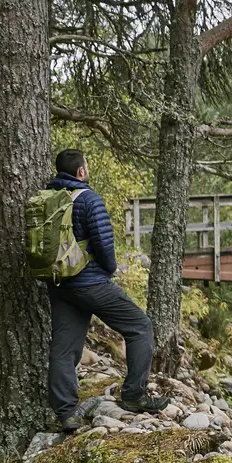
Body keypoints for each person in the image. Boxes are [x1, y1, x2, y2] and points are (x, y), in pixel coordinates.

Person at [44, 148, 169, 431]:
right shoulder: (88, 199)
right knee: (140, 327)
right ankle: (135, 395)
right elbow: (103, 244)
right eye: (86, 167)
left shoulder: (49, 199)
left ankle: (66, 413)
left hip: (59, 285)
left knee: (64, 349)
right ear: (81, 172)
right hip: (90, 283)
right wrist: (110, 269)